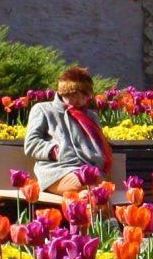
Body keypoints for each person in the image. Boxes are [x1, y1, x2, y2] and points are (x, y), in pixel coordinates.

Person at [23, 65, 114, 200]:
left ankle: (105, 221)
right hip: (58, 171)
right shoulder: (43, 109)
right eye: (74, 94)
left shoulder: (91, 116)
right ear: (62, 92)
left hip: (88, 169)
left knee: (100, 191)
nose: (79, 100)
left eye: (84, 95)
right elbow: (31, 144)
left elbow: (100, 145)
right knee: (88, 188)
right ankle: (86, 212)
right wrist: (56, 150)